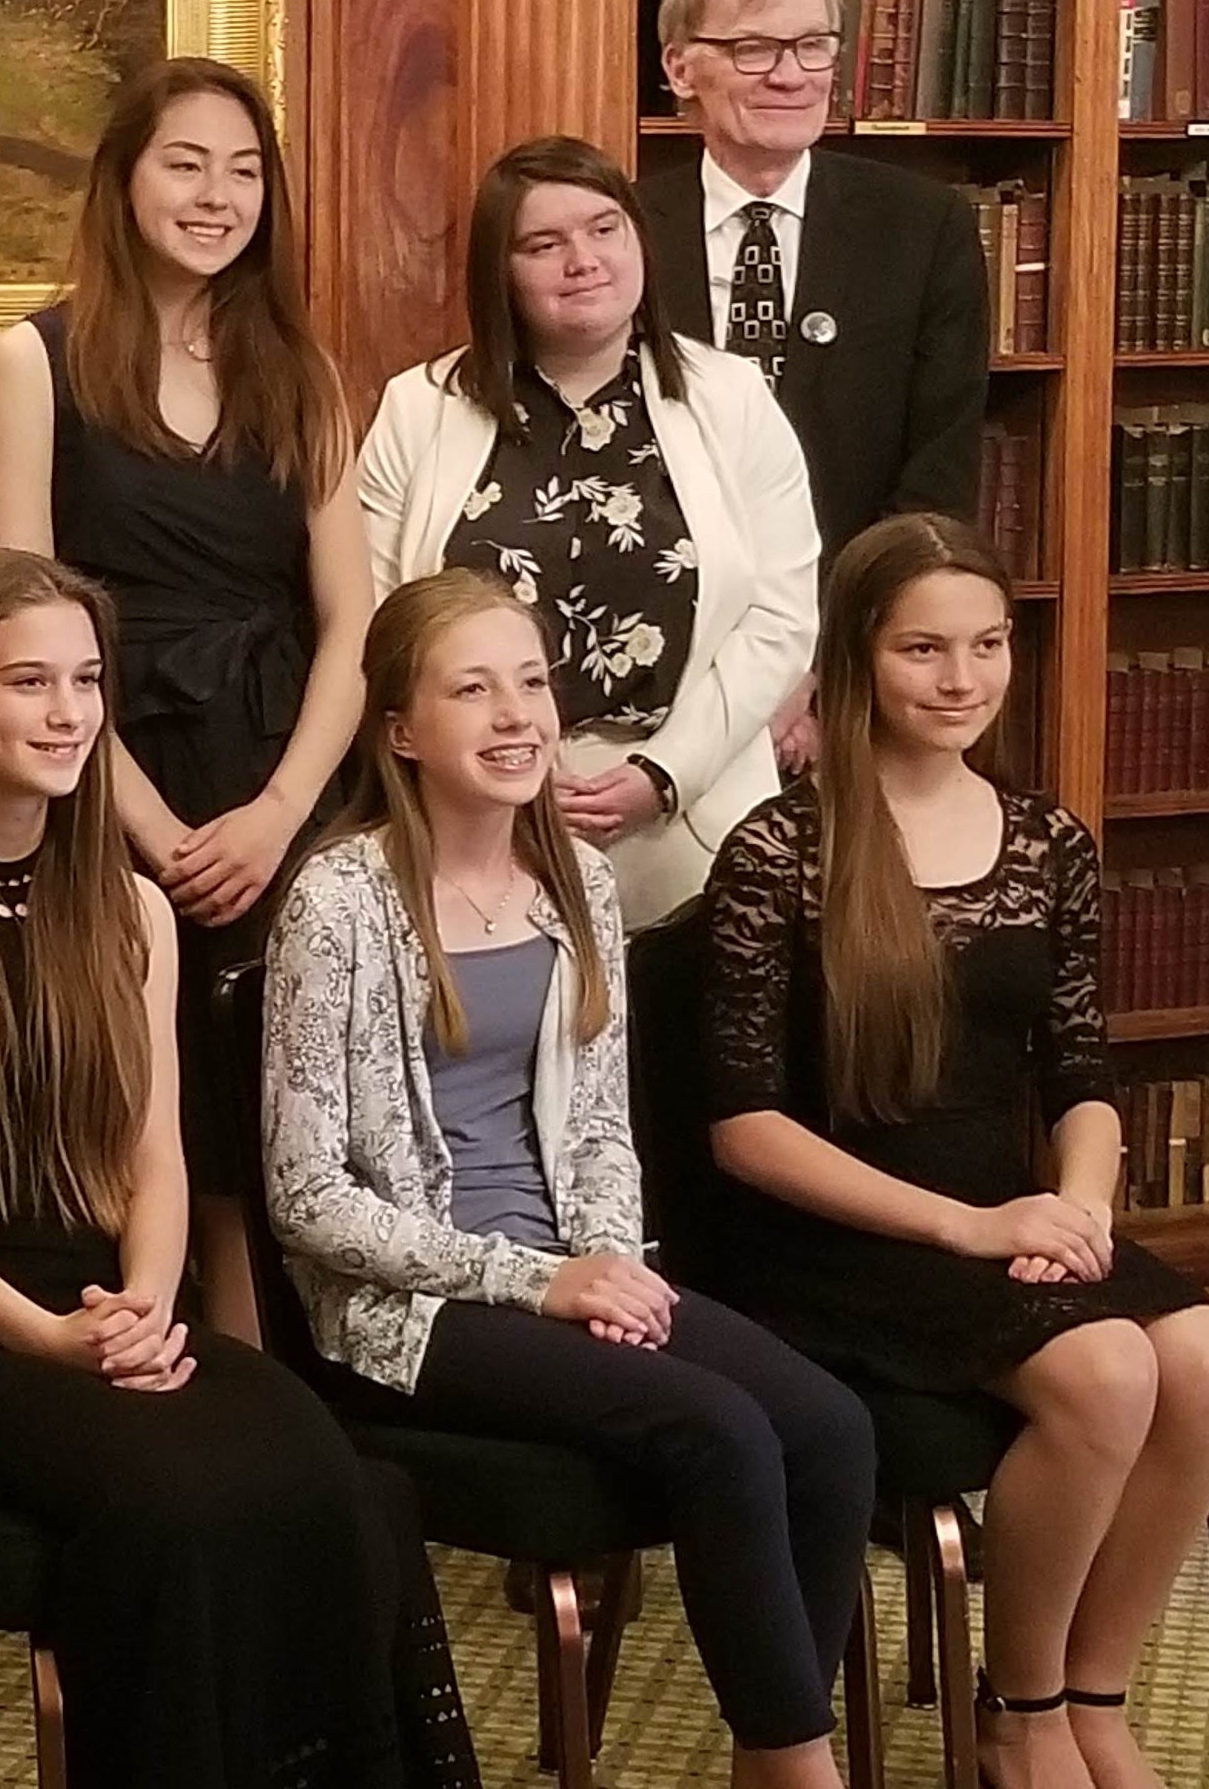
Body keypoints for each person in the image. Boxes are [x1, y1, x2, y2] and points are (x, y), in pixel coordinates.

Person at [0, 548, 477, 1789]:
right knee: (176, 1504)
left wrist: (151, 1300)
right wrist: (48, 1338)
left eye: (87, 680)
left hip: (114, 1308)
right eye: (28, 683)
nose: (69, 713)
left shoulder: (131, 908)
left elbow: (153, 1154)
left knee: (329, 1470)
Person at [261, 569, 875, 1789]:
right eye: (472, 689)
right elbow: (306, 1196)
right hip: (413, 1308)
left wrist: (609, 1270)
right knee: (722, 1431)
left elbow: (602, 1133)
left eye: (531, 682)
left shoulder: (580, 884)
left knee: (832, 1426)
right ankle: (798, 1766)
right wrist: (539, 1279)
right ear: (400, 732)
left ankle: (773, 1756)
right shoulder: (336, 899)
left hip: (570, 1274)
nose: (515, 715)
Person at [700, 513, 1209, 1789]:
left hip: (1010, 1207)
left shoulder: (1049, 840)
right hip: (832, 1234)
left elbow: (1082, 1071)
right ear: (856, 660)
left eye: (989, 644)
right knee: (1110, 1371)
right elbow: (743, 1126)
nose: (963, 679)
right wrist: (974, 1226)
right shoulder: (782, 850)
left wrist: (1083, 1201)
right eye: (925, 649)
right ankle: (1018, 1715)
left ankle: (1094, 1691)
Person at [0, 53, 362, 1344]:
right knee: (144, 1099)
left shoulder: (297, 369)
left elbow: (352, 616)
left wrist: (277, 810)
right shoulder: (35, 359)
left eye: (245, 170)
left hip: (278, 769)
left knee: (273, 1108)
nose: (218, 194)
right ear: (124, 177)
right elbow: (14, 616)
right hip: (95, 769)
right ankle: (166, 1356)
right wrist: (146, 826)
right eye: (185, 162)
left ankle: (298, 1396)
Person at [352, 133, 820, 930]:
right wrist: (507, 769)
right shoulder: (417, 406)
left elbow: (781, 618)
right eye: (544, 243)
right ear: (499, 270)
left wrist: (664, 772)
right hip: (477, 812)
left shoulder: (731, 397)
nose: (583, 259)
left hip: (688, 813)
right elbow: (381, 621)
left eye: (604, 228)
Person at [636, 0, 990, 773]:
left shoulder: (923, 226)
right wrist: (741, 688)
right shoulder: (623, 234)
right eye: (752, 49)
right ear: (680, 69)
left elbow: (935, 473)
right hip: (665, 677)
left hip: (866, 671)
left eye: (812, 46)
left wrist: (822, 673)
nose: (789, 75)